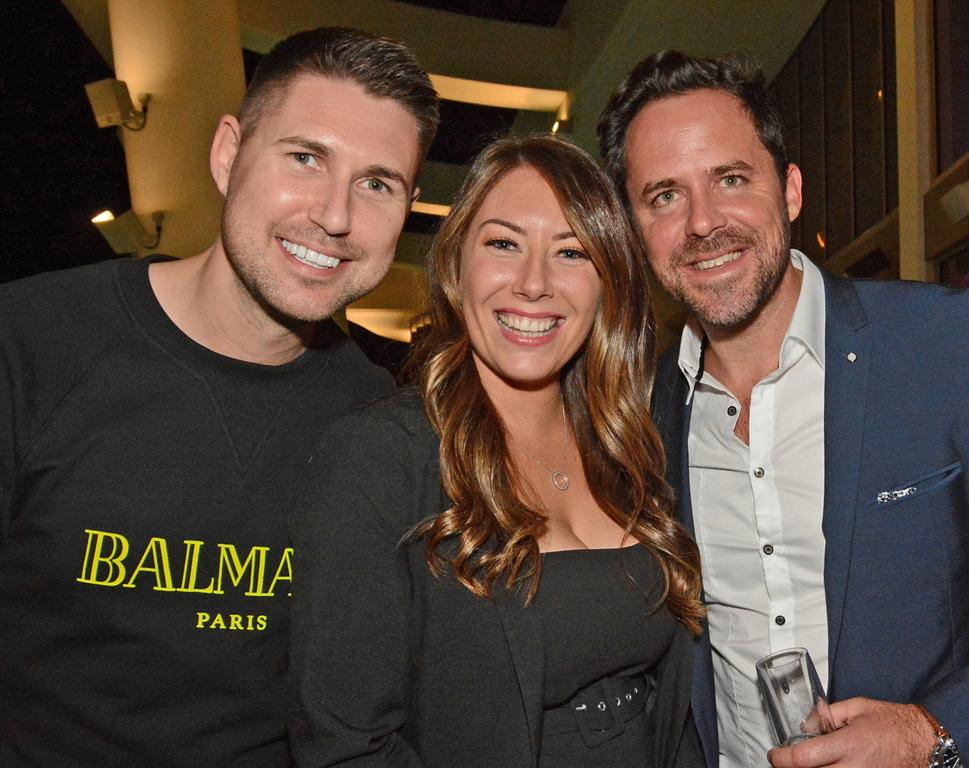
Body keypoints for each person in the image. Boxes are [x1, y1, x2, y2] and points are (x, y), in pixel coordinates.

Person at [0, 27, 438, 766]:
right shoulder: (31, 342)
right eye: (305, 158)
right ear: (229, 153)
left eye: (376, 183)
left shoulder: (390, 425)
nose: (334, 216)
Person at [597, 50, 969, 768]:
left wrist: (933, 732)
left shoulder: (954, 349)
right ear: (634, 230)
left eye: (730, 179)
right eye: (664, 196)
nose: (703, 223)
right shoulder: (636, 417)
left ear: (790, 190)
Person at [289, 134, 705, 767]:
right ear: (457, 263)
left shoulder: (629, 446)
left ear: (608, 284)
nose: (534, 284)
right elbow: (347, 745)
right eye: (504, 243)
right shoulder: (382, 455)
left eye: (571, 252)